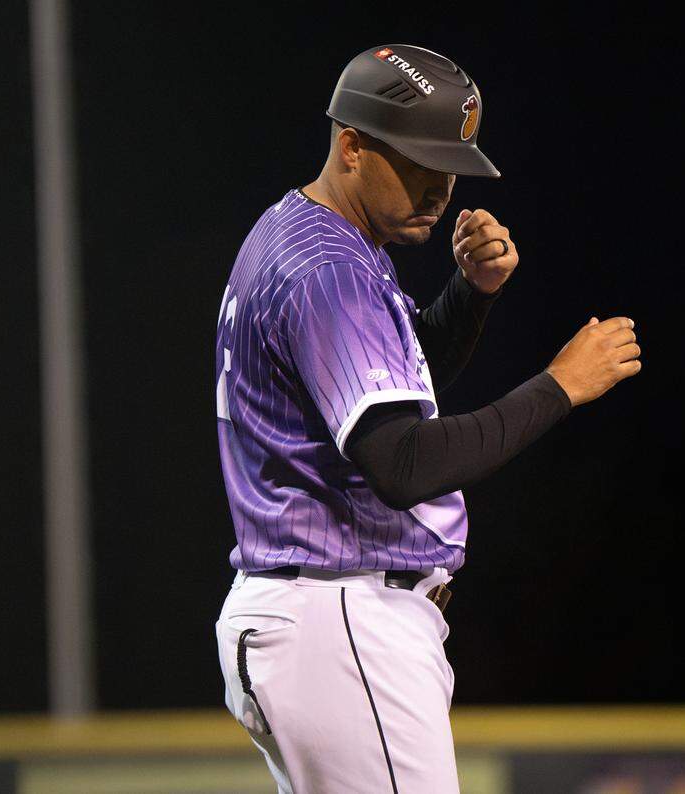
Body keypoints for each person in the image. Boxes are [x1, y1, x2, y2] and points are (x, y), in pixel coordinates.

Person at [212, 44, 641, 793]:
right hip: (339, 616)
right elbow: (403, 462)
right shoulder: (329, 270)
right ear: (351, 145)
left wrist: (469, 295)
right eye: (417, 163)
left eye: (449, 166)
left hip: (313, 613)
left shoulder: (311, 237)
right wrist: (560, 385)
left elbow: (392, 400)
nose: (440, 187)